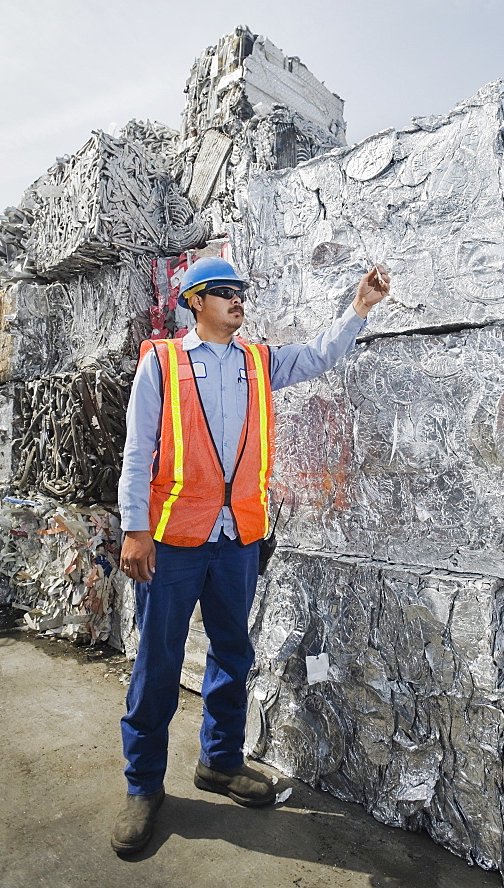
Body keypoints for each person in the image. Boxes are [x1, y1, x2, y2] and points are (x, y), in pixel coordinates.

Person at [111, 255, 390, 854]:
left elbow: (319, 355)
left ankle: (220, 761)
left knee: (233, 651)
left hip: (236, 538)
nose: (238, 299)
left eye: (241, 290)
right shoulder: (162, 363)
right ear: (194, 302)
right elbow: (138, 451)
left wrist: (359, 308)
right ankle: (142, 787)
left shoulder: (258, 363)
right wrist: (134, 529)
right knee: (157, 664)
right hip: (172, 540)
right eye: (223, 292)